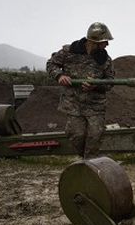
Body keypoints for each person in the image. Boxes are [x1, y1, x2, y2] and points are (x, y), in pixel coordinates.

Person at [46, 22, 115, 159]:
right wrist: (59, 75)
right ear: (95, 41)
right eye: (105, 41)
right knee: (76, 134)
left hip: (95, 105)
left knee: (95, 135)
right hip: (73, 103)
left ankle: (90, 165)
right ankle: (85, 160)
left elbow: (110, 81)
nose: (107, 44)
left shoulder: (105, 60)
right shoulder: (69, 51)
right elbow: (51, 64)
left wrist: (96, 85)